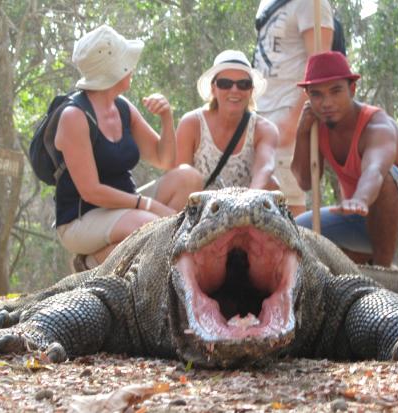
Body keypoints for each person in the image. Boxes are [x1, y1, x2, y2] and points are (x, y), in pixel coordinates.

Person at [54, 25, 202, 271]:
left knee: (189, 177)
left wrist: (166, 117)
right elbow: (91, 191)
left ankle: (160, 262)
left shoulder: (122, 107)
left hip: (126, 207)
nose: (132, 67)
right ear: (115, 70)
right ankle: (91, 262)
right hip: (82, 218)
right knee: (150, 226)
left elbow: (164, 160)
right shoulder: (74, 116)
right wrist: (146, 204)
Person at [291, 51, 398, 267]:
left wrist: (360, 198)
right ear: (308, 97)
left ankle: (383, 271)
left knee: (387, 179)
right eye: (317, 94)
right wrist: (302, 133)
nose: (326, 102)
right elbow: (304, 181)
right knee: (297, 231)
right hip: (363, 219)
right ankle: (360, 267)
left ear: (352, 89)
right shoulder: (316, 127)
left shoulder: (377, 126)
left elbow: (375, 170)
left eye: (335, 91)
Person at [253, 0, 335, 216]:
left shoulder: (311, 3)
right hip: (260, 113)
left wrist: (295, 120)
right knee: (259, 202)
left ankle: (297, 250)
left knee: (287, 202)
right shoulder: (266, 3)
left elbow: (321, 67)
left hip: (286, 111)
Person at [176, 50, 279, 191]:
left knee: (273, 185)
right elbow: (180, 180)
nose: (235, 90)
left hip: (247, 207)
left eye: (243, 84)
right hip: (199, 209)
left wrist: (249, 202)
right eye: (225, 83)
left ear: (251, 91)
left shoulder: (264, 130)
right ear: (214, 89)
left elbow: (265, 169)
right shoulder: (191, 124)